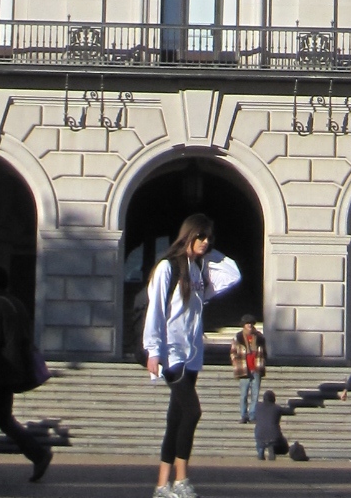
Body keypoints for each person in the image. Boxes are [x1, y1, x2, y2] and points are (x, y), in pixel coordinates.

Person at [141, 212, 242, 498]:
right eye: (200, 236)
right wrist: (153, 351)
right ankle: (182, 479)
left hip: (192, 353)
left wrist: (207, 254)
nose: (206, 241)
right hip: (171, 353)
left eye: (209, 238)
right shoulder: (167, 268)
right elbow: (155, 310)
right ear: (188, 235)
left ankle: (162, 485)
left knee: (176, 417)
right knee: (192, 411)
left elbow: (233, 275)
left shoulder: (197, 270)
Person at [0, 263, 53, 484]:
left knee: (2, 419)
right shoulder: (17, 303)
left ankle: (38, 454)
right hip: (16, 369)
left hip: (0, 370)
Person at [231, 318, 266, 424]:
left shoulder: (259, 337)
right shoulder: (238, 337)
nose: (249, 325)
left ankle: (252, 415)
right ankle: (243, 415)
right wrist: (235, 362)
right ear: (243, 325)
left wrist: (263, 362)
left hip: (256, 368)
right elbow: (233, 352)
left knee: (255, 395)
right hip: (244, 369)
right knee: (244, 395)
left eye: (251, 323)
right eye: (247, 324)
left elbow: (264, 351)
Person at [251, 388, 287, 461]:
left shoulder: (258, 406)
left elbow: (254, 417)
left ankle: (261, 451)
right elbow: (287, 411)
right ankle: (271, 450)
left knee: (260, 441)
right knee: (276, 442)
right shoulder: (277, 408)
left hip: (259, 434)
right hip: (274, 435)